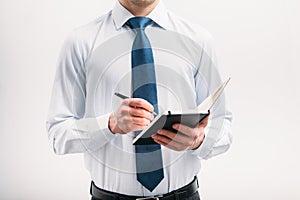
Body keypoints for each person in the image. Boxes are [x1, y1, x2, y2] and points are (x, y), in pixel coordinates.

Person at [46, 0, 233, 199]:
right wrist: (109, 125)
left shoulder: (198, 39)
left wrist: (198, 140)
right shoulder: (80, 42)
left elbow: (223, 127)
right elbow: (58, 134)